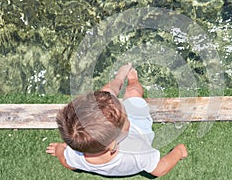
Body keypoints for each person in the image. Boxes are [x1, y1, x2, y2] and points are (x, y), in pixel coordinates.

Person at [46, 63, 188, 177]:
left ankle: (119, 78)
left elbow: (67, 162)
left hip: (103, 137)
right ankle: (133, 79)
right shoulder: (137, 151)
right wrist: (178, 152)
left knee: (106, 93)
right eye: (126, 121)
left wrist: (60, 149)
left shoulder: (75, 155)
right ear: (113, 146)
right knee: (133, 92)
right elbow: (159, 170)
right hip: (140, 130)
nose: (128, 120)